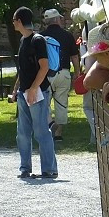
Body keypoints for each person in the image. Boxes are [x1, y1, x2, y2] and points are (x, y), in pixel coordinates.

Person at [11, 6, 58, 179]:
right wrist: (17, 89)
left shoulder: (37, 40)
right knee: (22, 133)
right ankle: (25, 168)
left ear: (20, 21)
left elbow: (44, 67)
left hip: (38, 92)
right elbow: (23, 69)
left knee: (41, 131)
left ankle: (49, 169)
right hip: (24, 93)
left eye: (14, 20)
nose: (13, 23)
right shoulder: (23, 40)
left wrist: (33, 89)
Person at [41, 8, 80, 140]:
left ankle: (49, 126)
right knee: (62, 103)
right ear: (57, 19)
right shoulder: (67, 35)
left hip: (46, 74)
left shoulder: (40, 37)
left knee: (45, 103)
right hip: (63, 73)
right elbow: (74, 56)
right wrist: (77, 73)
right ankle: (58, 133)